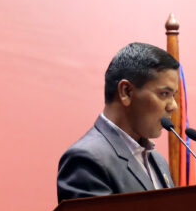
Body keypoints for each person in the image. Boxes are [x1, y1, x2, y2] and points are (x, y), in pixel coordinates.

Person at [57, 43, 179, 202]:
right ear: (126, 92)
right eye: (164, 94)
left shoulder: (158, 160)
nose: (173, 106)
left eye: (173, 95)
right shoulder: (86, 160)